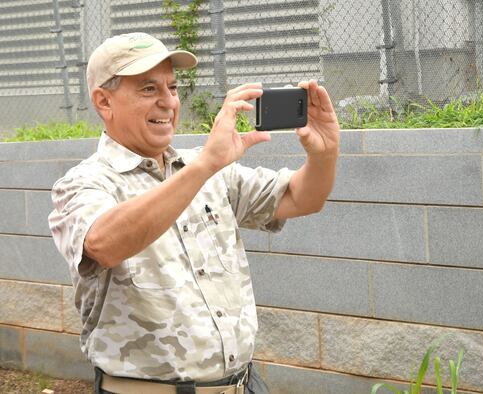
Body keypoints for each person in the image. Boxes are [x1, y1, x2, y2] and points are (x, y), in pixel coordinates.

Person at [48, 32, 339, 394]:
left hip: (243, 384)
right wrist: (204, 165)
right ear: (104, 101)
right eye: (148, 89)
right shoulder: (83, 183)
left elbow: (301, 198)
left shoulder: (205, 167)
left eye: (172, 87)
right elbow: (105, 243)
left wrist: (324, 153)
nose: (168, 102)